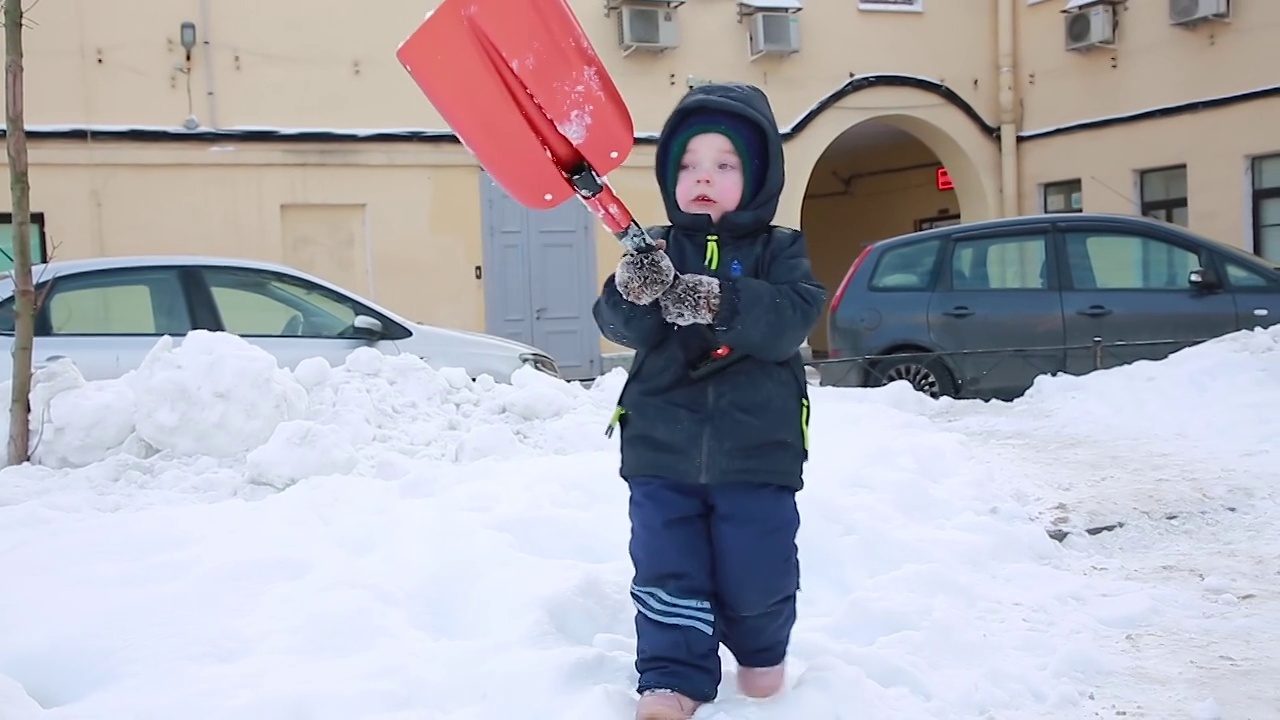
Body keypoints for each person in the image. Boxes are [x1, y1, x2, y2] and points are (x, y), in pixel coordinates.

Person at [591, 82, 827, 720]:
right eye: (689, 165)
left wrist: (721, 301)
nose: (704, 177)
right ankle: (671, 679)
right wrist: (631, 291)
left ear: (756, 177)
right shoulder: (657, 246)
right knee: (668, 567)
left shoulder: (782, 250)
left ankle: (759, 654)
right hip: (661, 445)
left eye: (724, 165)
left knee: (759, 568)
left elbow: (791, 321)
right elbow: (619, 327)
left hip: (758, 449)